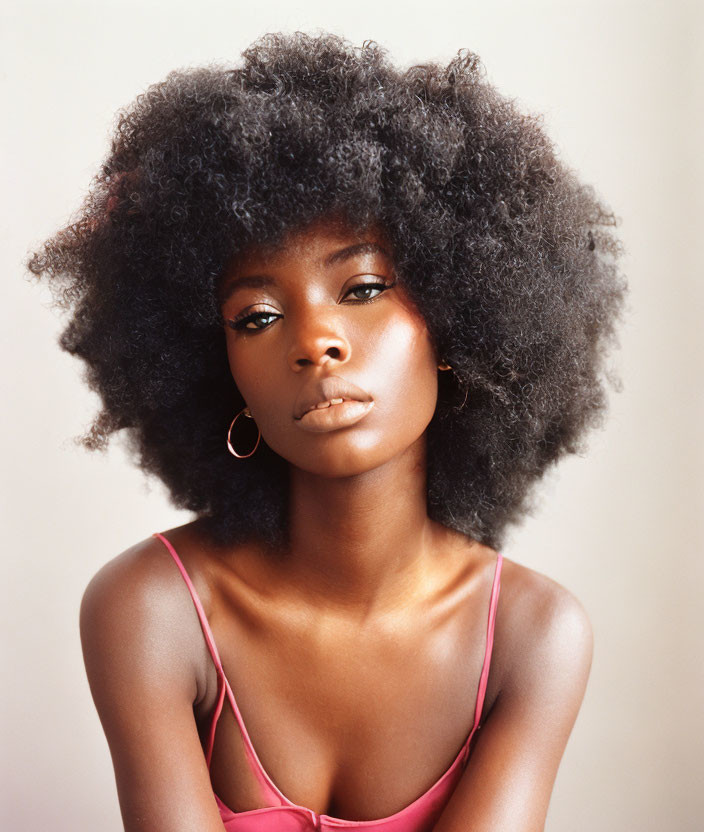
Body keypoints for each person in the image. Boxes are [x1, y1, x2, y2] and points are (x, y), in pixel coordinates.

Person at [26, 31, 627, 832]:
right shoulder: (153, 612)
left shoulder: (533, 636)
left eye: (364, 287)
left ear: (456, 324)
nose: (315, 341)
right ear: (217, 373)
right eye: (258, 316)